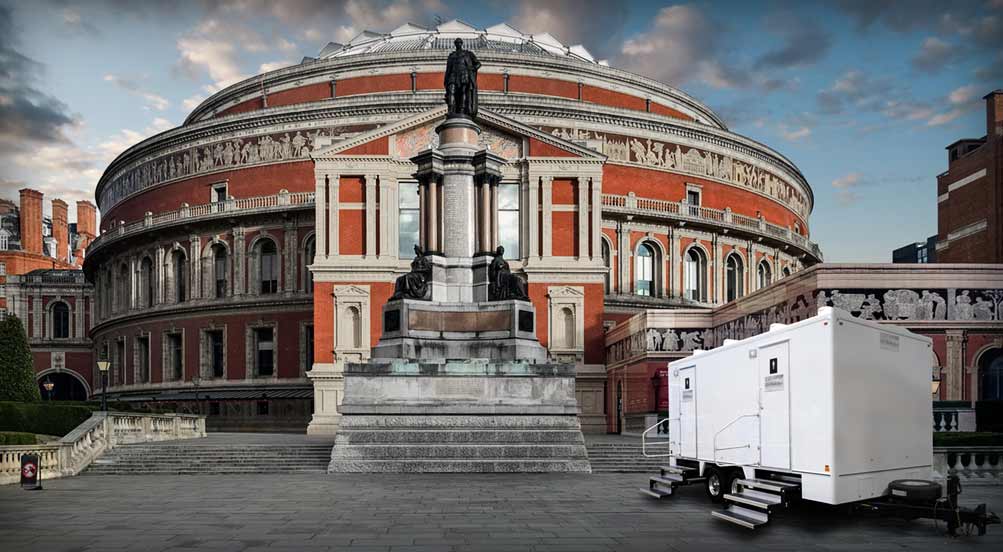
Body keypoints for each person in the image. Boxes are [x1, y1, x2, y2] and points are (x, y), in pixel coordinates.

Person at [444, 38, 481, 118]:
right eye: (457, 43)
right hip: (453, 75)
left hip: (464, 75)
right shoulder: (451, 56)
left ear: (461, 44)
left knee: (463, 92)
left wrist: (472, 69)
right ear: (455, 44)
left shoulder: (468, 54)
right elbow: (448, 69)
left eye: (459, 43)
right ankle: (450, 110)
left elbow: (478, 64)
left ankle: (462, 109)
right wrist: (446, 81)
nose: (458, 44)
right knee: (451, 92)